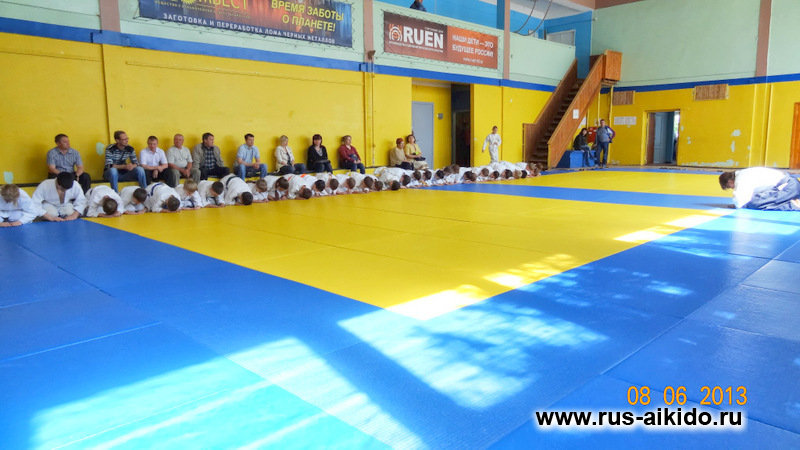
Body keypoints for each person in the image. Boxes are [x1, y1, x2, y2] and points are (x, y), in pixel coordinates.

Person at [719, 168, 800, 211]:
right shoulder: (743, 173)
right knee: (759, 197)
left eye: (730, 186)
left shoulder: (741, 179)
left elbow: (739, 201)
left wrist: (737, 205)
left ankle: (792, 204)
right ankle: (793, 200)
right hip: (791, 185)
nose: (732, 188)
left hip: (788, 187)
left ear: (730, 181)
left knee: (755, 203)